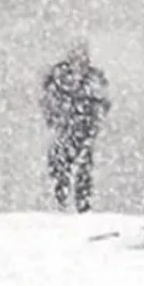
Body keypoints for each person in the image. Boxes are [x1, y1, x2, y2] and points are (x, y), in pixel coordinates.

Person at [41, 41, 111, 213]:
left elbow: (103, 103)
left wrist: (93, 121)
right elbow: (48, 102)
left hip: (84, 131)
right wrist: (57, 118)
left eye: (83, 55)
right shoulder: (59, 77)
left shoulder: (93, 79)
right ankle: (60, 204)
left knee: (83, 169)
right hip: (65, 130)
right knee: (61, 168)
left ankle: (82, 206)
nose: (79, 59)